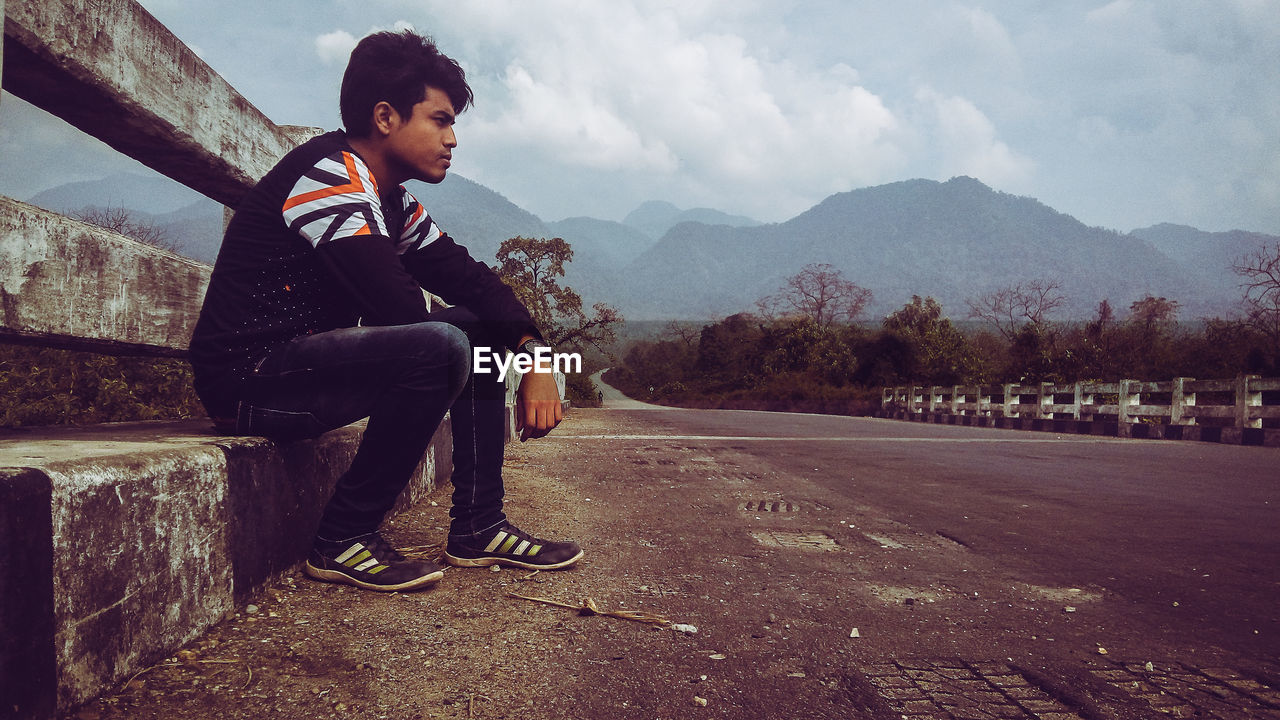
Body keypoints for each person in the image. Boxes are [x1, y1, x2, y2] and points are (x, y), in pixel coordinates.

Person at [188, 29, 582, 593]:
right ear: (385, 117)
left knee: (476, 330)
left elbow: (469, 278)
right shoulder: (329, 175)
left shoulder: (391, 201)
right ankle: (343, 537)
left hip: (304, 373)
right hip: (249, 382)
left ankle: (478, 526)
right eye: (440, 120)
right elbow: (396, 306)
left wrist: (535, 355)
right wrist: (474, 331)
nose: (452, 139)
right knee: (443, 342)